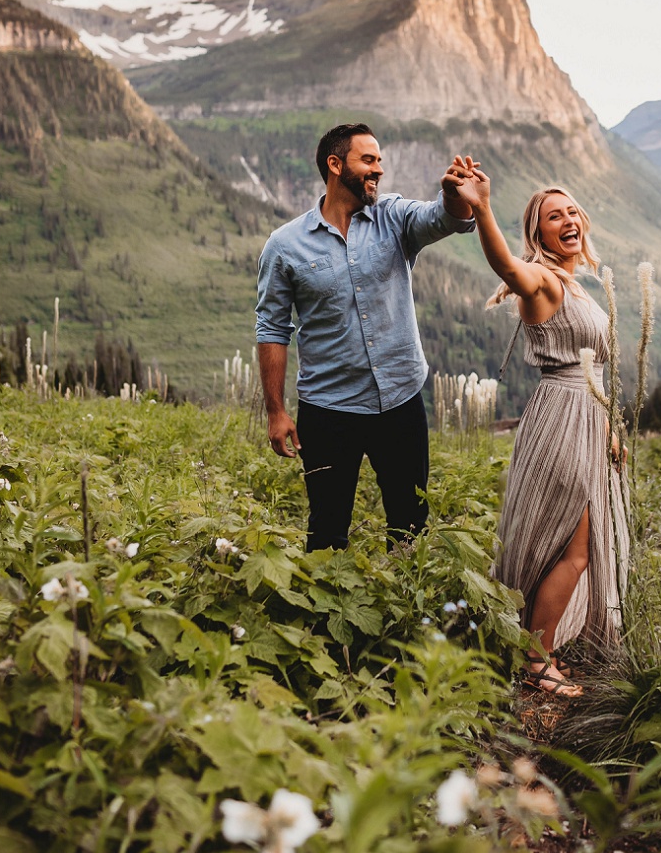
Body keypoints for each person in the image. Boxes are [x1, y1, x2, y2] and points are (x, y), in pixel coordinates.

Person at [448, 161, 631, 695]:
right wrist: (480, 207)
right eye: (555, 216)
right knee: (573, 548)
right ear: (538, 233)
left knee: (575, 545)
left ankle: (538, 648)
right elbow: (506, 268)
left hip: (584, 414)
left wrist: (609, 428)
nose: (568, 220)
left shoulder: (573, 285)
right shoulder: (542, 280)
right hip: (562, 418)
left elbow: (591, 371)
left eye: (572, 210)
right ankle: (536, 661)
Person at [256, 124, 476, 552]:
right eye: (368, 160)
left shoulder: (393, 217)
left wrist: (452, 192)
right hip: (328, 409)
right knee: (326, 531)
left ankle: (407, 615)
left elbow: (444, 217)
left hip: (400, 400)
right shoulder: (284, 246)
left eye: (380, 160)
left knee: (410, 524)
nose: (379, 169)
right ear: (336, 166)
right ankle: (328, 616)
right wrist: (276, 411)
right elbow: (271, 329)